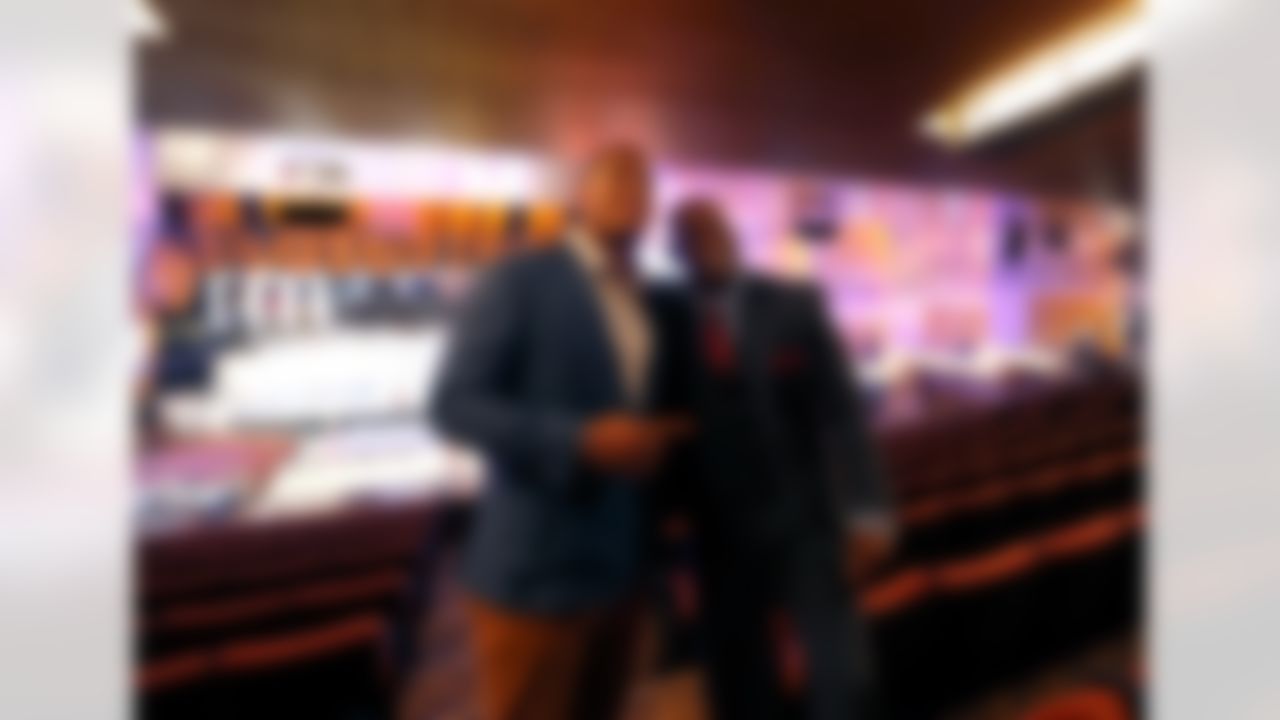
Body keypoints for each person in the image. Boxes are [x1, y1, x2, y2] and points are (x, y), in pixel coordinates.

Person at [431, 144, 689, 720]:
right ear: (579, 197)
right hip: (534, 584)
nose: (630, 184)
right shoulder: (519, 279)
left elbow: (636, 416)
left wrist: (662, 433)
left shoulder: (649, 300)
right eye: (613, 174)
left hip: (620, 575)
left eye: (642, 179)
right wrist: (576, 440)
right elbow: (452, 404)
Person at [664, 197, 895, 720]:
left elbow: (843, 415)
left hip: (806, 525)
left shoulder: (794, 304)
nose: (707, 242)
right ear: (677, 253)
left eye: (714, 228)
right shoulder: (666, 321)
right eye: (691, 236)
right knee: (741, 685)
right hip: (719, 539)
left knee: (842, 679)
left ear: (733, 233)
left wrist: (869, 512)